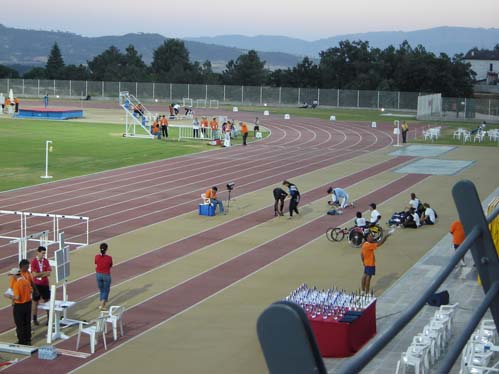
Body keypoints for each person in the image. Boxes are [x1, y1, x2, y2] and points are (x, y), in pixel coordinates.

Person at [13, 260, 33, 345]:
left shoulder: (16, 284)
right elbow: (31, 291)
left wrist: (10, 296)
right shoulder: (26, 281)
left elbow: (17, 297)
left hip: (19, 305)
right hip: (28, 304)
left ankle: (21, 341)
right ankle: (28, 339)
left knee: (19, 324)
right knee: (27, 322)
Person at [30, 246, 51, 326]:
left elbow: (49, 273)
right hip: (37, 285)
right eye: (42, 253)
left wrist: (40, 274)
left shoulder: (46, 261)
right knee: (35, 302)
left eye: (44, 253)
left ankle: (49, 319)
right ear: (38, 252)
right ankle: (35, 319)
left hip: (45, 284)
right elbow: (34, 275)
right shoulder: (34, 262)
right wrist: (43, 273)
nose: (43, 255)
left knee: (47, 302)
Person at [95, 242, 113, 310]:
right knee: (106, 290)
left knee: (102, 289)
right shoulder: (109, 258)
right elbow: (110, 265)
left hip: (98, 275)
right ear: (107, 249)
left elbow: (96, 262)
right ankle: (102, 304)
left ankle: (103, 303)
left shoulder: (96, 256)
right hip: (106, 275)